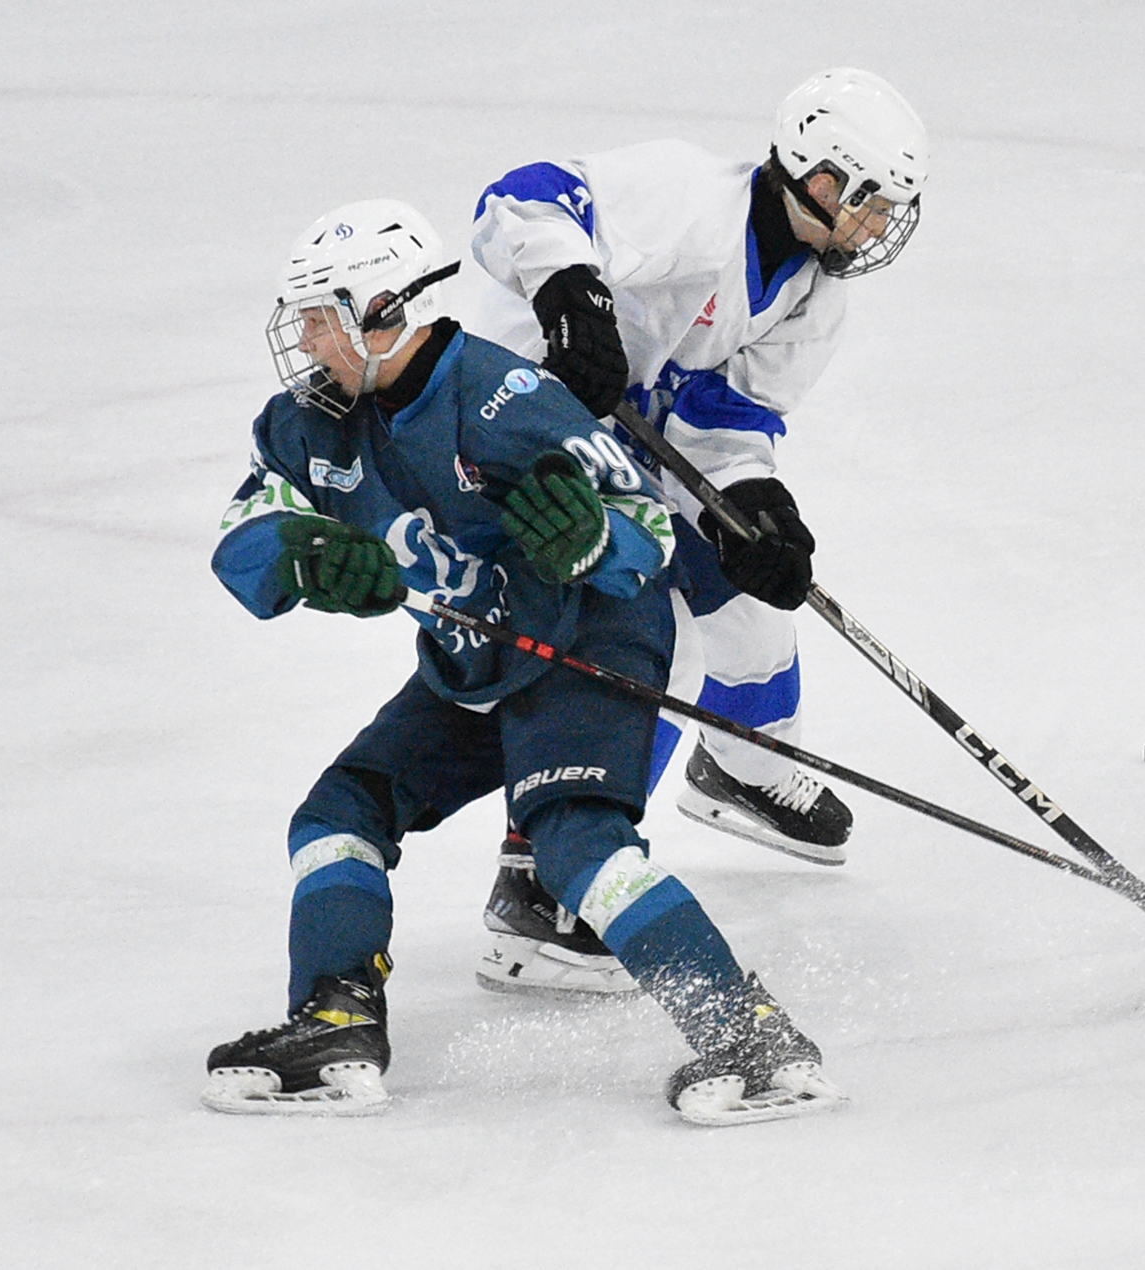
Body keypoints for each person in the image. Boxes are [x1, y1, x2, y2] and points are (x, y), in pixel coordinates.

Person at [200, 198, 844, 1125]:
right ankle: (336, 1016)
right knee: (340, 812)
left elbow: (646, 525)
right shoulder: (310, 423)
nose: (303, 340)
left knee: (577, 839)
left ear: (388, 316)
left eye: (321, 317)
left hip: (589, 644)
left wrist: (593, 540)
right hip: (474, 655)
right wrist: (300, 556)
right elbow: (243, 530)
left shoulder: (506, 400)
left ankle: (750, 1035)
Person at [464, 68, 930, 995]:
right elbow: (517, 198)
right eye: (872, 203)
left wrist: (757, 506)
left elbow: (721, 428)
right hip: (526, 431)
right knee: (652, 644)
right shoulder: (687, 200)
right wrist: (571, 292)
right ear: (820, 177)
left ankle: (740, 768)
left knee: (753, 620)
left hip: (631, 453)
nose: (879, 228)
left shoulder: (813, 299)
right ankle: (541, 886)